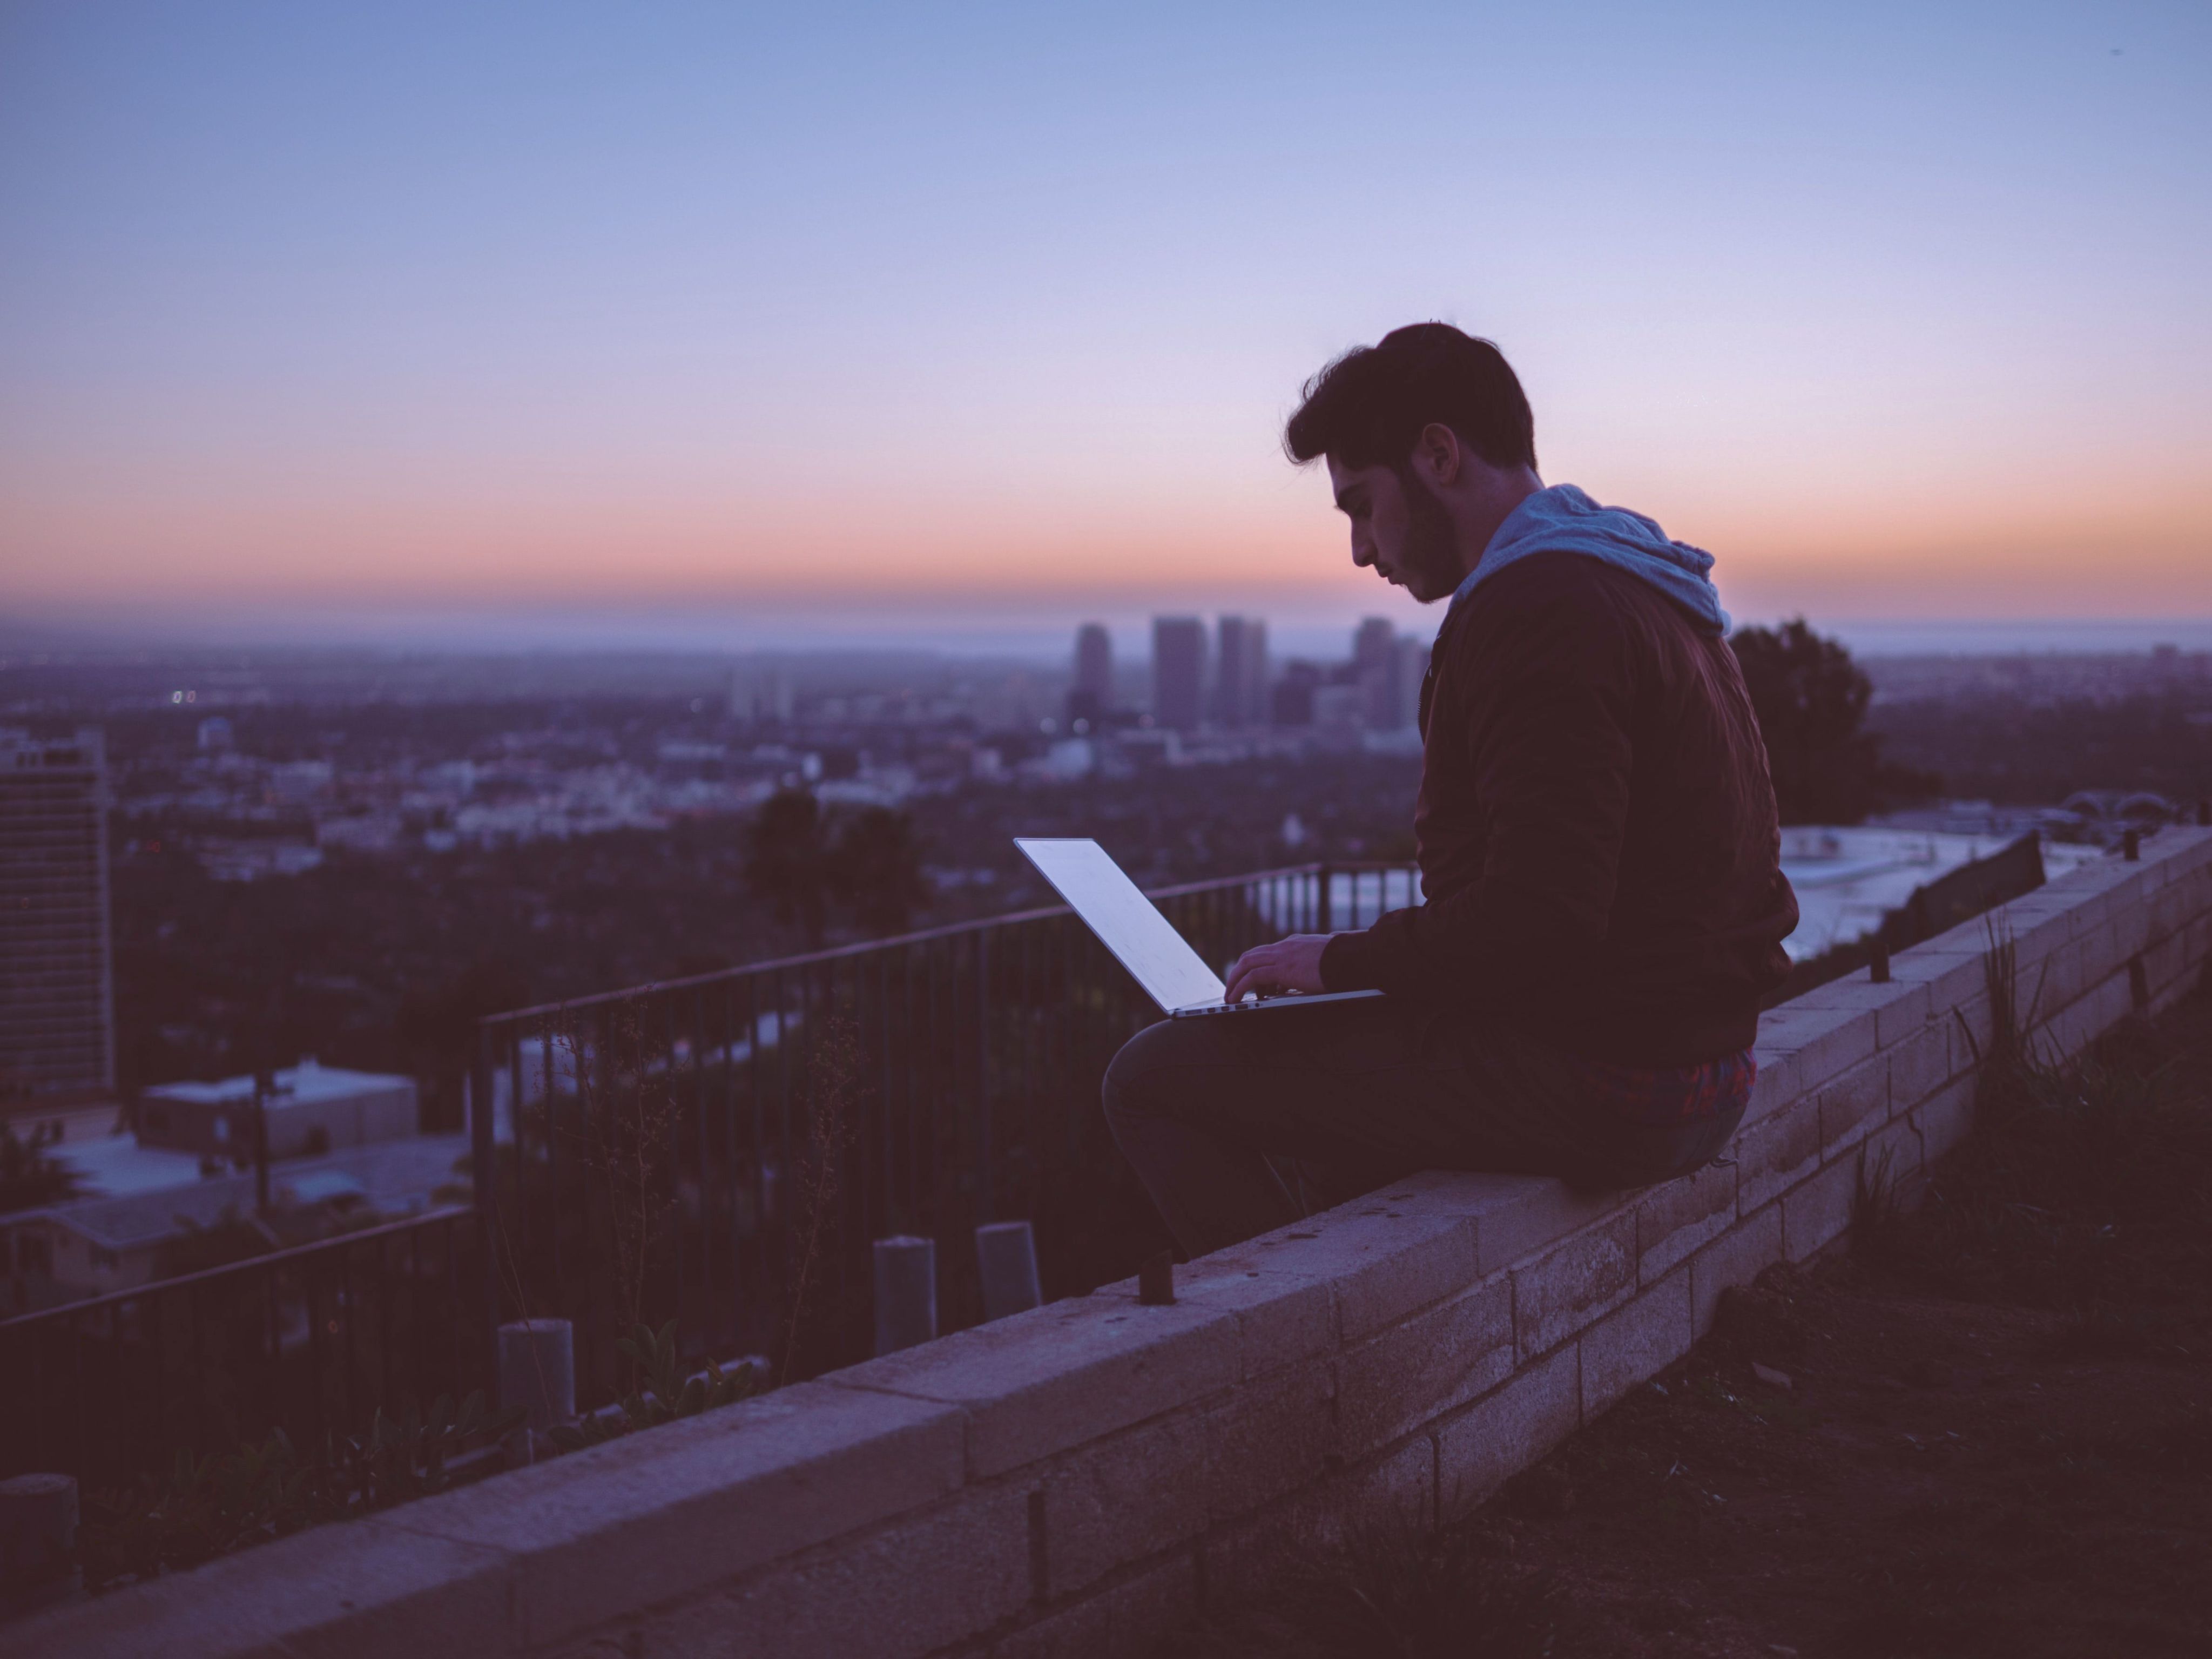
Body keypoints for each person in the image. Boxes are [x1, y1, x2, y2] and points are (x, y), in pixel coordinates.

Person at [1103, 323, 1799, 1259]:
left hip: (1620, 1083)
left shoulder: (1539, 607)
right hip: (1699, 1063)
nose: (1360, 550)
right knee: (1325, 1070)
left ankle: (1301, 1352)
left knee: (1154, 1076)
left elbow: (1543, 916)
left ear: (1438, 455)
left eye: (1362, 506)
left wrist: (1340, 963)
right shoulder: (1641, 582)